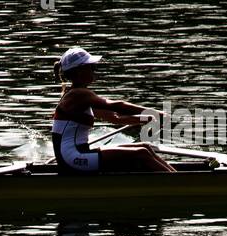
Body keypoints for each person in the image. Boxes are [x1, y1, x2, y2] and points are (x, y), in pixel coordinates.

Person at [51, 46, 175, 174]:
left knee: (145, 147)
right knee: (141, 153)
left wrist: (147, 119)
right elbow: (116, 105)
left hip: (78, 154)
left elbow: (115, 118)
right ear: (79, 71)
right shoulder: (79, 94)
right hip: (73, 159)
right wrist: (155, 113)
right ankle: (180, 184)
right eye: (91, 67)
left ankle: (177, 177)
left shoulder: (79, 97)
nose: (94, 71)